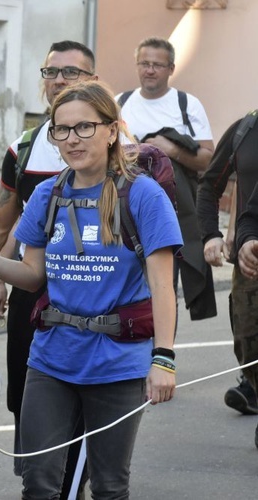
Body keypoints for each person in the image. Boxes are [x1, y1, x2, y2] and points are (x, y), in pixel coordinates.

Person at [0, 81, 180, 498]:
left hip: (117, 364)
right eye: (62, 130)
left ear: (111, 131)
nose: (72, 139)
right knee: (38, 483)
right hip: (51, 359)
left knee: (108, 485)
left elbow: (163, 286)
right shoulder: (48, 194)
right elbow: (32, 275)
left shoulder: (142, 195)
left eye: (84, 127)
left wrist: (164, 360)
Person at [0, 39, 96, 498]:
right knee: (28, 401)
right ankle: (45, 482)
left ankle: (70, 485)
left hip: (92, 293)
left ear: (93, 81)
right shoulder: (24, 148)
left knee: (81, 402)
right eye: (51, 73)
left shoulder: (118, 144)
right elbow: (4, 218)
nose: (60, 81)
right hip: (33, 291)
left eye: (72, 73)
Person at [117, 36, 216, 321]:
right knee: (127, 287)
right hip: (125, 212)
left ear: (171, 68)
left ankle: (162, 356)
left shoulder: (187, 104)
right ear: (137, 65)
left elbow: (209, 158)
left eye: (157, 65)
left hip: (173, 212)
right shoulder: (119, 103)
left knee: (164, 286)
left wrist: (172, 150)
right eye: (144, 63)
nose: (150, 70)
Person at [197, 110, 258, 434]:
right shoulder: (244, 129)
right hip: (250, 260)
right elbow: (209, 186)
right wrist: (212, 234)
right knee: (248, 347)